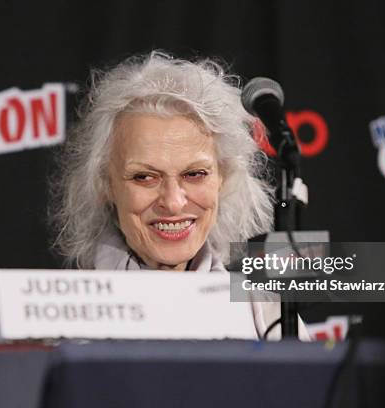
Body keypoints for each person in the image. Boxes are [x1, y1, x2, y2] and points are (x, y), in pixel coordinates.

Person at [50, 51, 304, 339]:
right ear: (105, 185)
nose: (173, 202)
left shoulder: (266, 311)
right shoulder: (62, 316)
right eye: (144, 177)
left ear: (224, 178)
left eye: (194, 174)